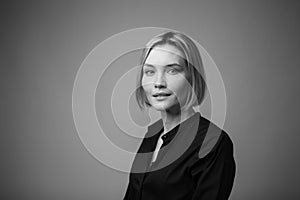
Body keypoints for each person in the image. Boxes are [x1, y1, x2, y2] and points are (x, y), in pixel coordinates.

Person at [123, 31, 235, 200]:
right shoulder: (152, 134)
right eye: (150, 72)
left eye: (172, 71)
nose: (159, 83)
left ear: (192, 77)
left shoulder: (213, 143)